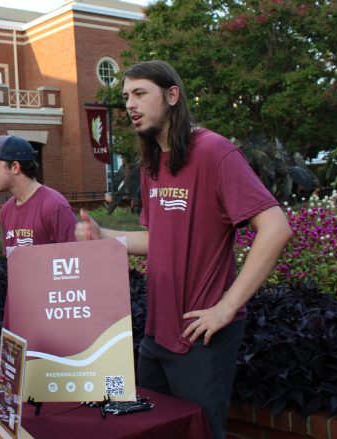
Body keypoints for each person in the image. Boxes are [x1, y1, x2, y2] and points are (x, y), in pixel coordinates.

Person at [76, 60, 293, 439]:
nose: (130, 104)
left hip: (200, 335)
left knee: (201, 434)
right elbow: (158, 241)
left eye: (141, 93)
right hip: (156, 334)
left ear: (172, 95)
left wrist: (226, 307)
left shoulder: (214, 151)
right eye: (126, 96)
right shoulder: (150, 164)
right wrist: (101, 233)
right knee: (151, 430)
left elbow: (275, 228)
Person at [0, 135, 77, 256]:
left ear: (15, 167)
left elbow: (76, 260)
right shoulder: (6, 210)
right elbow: (12, 262)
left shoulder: (54, 206)